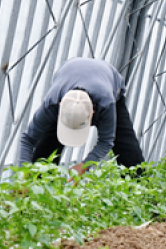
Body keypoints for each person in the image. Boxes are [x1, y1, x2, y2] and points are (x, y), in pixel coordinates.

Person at [17, 57, 145, 176]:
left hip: (108, 82)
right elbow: (28, 139)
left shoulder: (107, 102)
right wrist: (25, 172)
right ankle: (36, 187)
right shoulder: (53, 103)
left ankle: (141, 190)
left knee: (129, 154)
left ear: (93, 114)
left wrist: (84, 166)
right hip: (69, 78)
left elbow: (106, 141)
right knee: (45, 150)